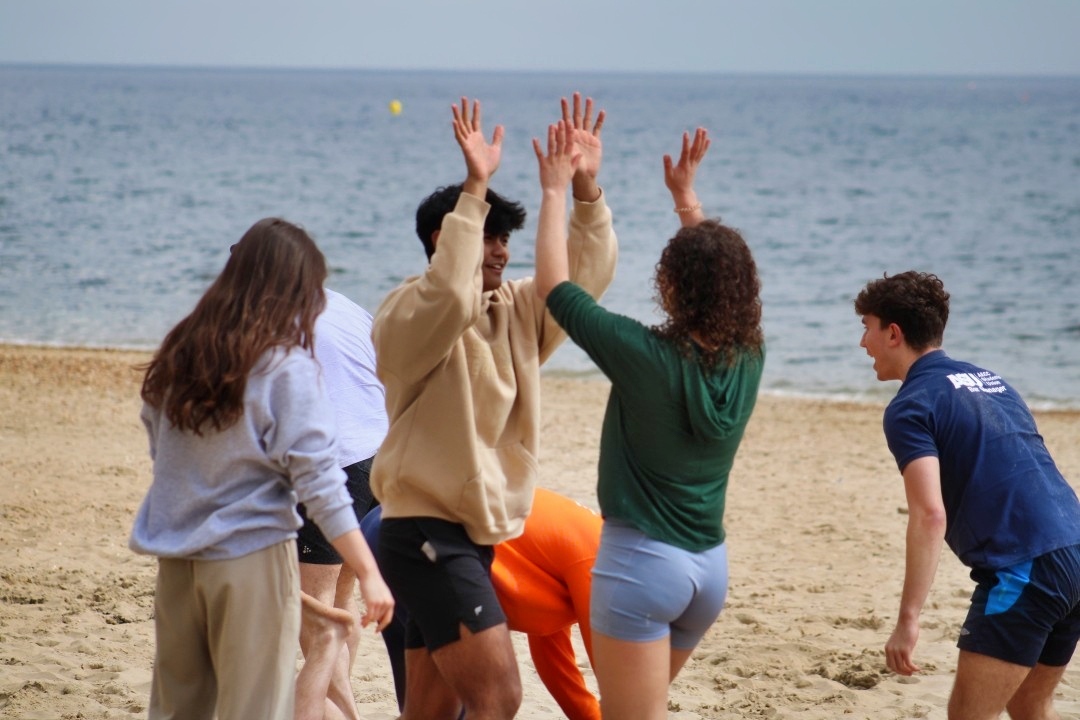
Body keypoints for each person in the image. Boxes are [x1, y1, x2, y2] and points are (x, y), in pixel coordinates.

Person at [369, 94, 617, 720]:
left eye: (505, 238)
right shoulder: (405, 314)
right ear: (444, 237)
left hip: (472, 536)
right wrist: (476, 184)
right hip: (424, 533)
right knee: (499, 698)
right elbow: (447, 296)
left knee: (431, 709)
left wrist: (585, 191)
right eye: (488, 236)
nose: (502, 250)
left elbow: (580, 283)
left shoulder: (514, 309)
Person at [533, 125, 765, 720]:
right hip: (708, 570)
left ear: (668, 285)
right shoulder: (749, 356)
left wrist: (558, 189)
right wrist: (686, 198)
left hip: (641, 569)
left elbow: (555, 287)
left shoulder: (641, 355)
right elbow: (718, 281)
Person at [129, 218, 394, 720]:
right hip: (250, 557)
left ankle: (329, 669)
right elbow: (320, 483)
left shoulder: (182, 348)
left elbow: (158, 443)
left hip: (178, 556)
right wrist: (368, 571)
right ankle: (329, 660)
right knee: (253, 705)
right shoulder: (284, 363)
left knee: (177, 706)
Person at [854, 271, 1080, 720]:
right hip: (1074, 546)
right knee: (1030, 705)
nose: (863, 343)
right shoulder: (991, 380)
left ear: (893, 333)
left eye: (867, 328)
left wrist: (908, 620)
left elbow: (929, 515)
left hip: (1027, 566)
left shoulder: (911, 406)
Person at [360, 488, 603, 720]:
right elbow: (615, 680)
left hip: (393, 526)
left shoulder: (594, 549)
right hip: (423, 541)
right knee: (481, 702)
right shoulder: (602, 563)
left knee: (425, 711)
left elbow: (554, 661)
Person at [294, 288, 389, 720]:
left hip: (337, 463)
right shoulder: (344, 306)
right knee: (341, 604)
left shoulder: (269, 315)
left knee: (318, 618)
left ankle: (345, 714)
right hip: (382, 455)